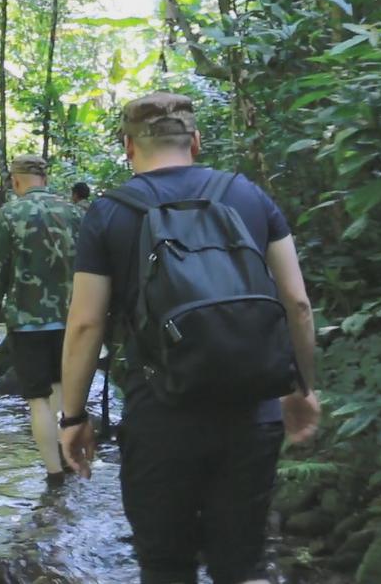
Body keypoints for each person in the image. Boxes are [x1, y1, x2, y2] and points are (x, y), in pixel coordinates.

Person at [59, 92, 321, 584]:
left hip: (160, 415)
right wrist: (302, 387)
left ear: (127, 146)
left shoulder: (109, 214)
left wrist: (73, 417)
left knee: (164, 565)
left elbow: (86, 324)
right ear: (196, 140)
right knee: (240, 564)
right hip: (251, 409)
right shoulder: (249, 196)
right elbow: (297, 303)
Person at [0, 154, 85, 486]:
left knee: (37, 398)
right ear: (45, 178)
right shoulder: (74, 213)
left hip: (28, 320)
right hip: (73, 319)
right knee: (61, 391)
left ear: (15, 181)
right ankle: (70, 461)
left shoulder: (9, 214)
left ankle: (54, 474)